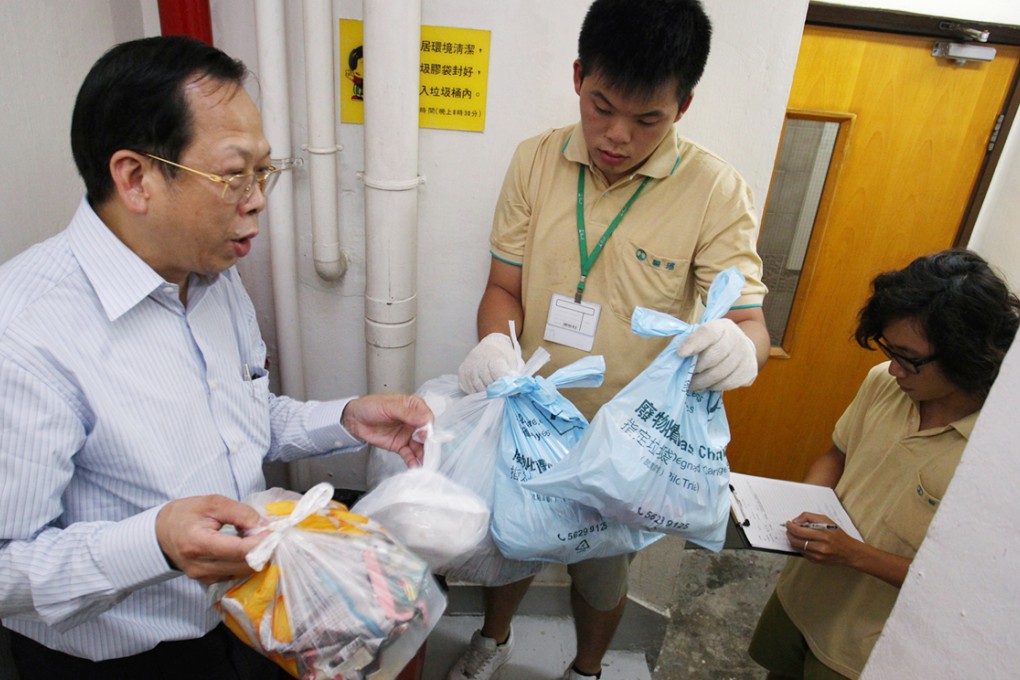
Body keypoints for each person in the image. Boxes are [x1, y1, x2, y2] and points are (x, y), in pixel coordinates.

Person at [0, 36, 432, 679]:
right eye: (234, 174)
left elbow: (238, 418)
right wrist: (155, 544)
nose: (257, 198)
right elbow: (9, 566)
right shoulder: (26, 334)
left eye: (264, 171)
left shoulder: (210, 274)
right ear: (137, 177)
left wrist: (343, 418)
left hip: (241, 612)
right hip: (121, 658)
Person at [448, 1, 770, 678]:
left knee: (601, 575)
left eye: (646, 118)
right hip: (533, 414)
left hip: (626, 441)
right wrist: (493, 344)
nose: (616, 135)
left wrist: (740, 349)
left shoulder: (716, 191)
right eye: (602, 107)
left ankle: (586, 670)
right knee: (513, 543)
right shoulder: (535, 161)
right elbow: (503, 285)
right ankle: (494, 640)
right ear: (577, 77)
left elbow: (749, 325)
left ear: (681, 107)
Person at [747, 249, 1020, 680]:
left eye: (910, 358)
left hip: (859, 645)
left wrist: (854, 555)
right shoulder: (885, 384)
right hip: (803, 595)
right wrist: (804, 504)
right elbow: (836, 454)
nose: (893, 368)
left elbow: (964, 587)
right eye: (889, 350)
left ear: (966, 352)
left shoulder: (994, 455)